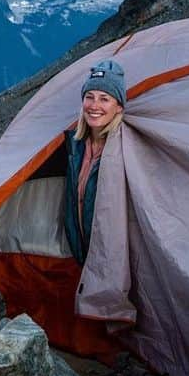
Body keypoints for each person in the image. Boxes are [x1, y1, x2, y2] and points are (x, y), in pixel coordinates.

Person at [64, 59, 125, 265]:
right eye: (89, 97)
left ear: (118, 107)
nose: (94, 106)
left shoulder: (123, 150)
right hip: (81, 252)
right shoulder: (75, 146)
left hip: (112, 260)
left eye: (104, 99)